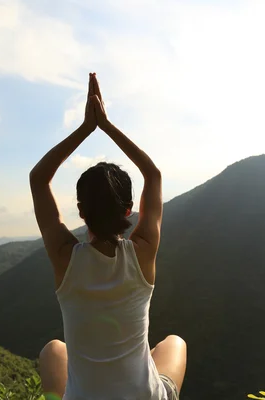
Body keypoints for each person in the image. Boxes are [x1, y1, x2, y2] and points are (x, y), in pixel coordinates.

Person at [29, 73, 186, 400]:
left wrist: (87, 127)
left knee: (53, 351)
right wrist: (107, 125)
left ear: (81, 211)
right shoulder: (142, 252)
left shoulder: (65, 257)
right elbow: (153, 175)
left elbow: (39, 178)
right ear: (128, 210)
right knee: (174, 343)